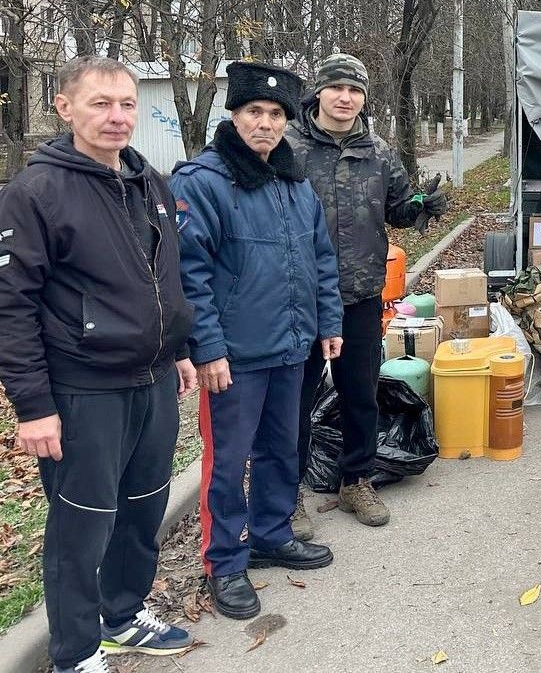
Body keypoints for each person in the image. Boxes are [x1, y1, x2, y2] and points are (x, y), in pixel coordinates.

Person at [0, 56, 196, 672]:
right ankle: (75, 651)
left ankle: (122, 615)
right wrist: (34, 407)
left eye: (127, 104)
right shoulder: (35, 193)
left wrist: (179, 350)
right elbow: (11, 306)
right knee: (81, 529)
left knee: (142, 510)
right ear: (64, 107)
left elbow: (164, 279)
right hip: (83, 390)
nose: (116, 117)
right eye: (100, 104)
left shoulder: (150, 182)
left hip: (153, 382)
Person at [171, 61, 343, 620]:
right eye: (254, 112)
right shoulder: (203, 182)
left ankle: (271, 533)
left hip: (291, 345)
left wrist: (329, 323)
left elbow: (320, 258)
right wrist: (209, 349)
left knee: (280, 448)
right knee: (228, 461)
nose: (265, 124)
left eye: (275, 114)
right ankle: (224, 562)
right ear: (234, 114)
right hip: (235, 358)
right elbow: (189, 276)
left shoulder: (293, 181)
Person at [287, 53, 447, 536]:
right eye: (336, 88)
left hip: (358, 293)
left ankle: (356, 478)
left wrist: (422, 203)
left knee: (361, 392)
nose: (345, 98)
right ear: (318, 93)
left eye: (355, 90)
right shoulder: (287, 147)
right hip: (300, 295)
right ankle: (287, 492)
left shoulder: (378, 151)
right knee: (293, 397)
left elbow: (399, 209)